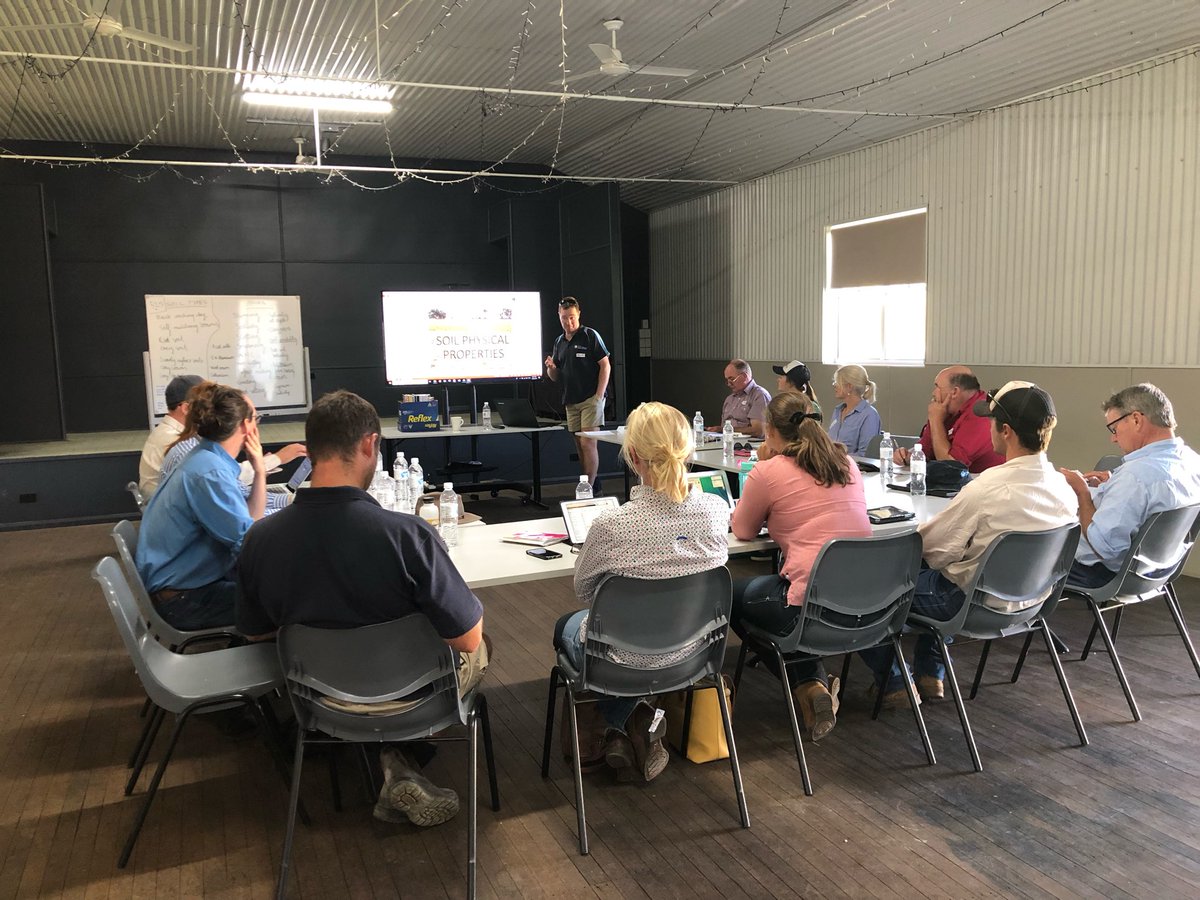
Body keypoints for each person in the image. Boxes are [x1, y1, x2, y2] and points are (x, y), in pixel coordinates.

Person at [237, 390, 487, 827]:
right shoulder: (407, 535)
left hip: (319, 702)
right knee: (481, 641)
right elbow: (466, 638)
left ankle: (393, 764)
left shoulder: (260, 539)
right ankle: (398, 755)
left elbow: (256, 634)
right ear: (370, 444)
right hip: (418, 701)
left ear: (310, 450)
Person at [862, 381, 1078, 705]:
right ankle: (930, 673)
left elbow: (930, 548)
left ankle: (895, 680)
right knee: (959, 568)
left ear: (1005, 431)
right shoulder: (1063, 488)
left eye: (990, 421)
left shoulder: (989, 487)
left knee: (869, 587)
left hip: (970, 604)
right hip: (1032, 603)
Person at [558, 402, 730, 782]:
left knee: (568, 628)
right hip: (693, 653)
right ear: (688, 450)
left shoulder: (611, 525)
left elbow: (584, 590)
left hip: (621, 659)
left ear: (633, 457)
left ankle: (619, 722)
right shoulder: (716, 511)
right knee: (629, 632)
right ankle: (634, 721)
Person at [730, 392, 871, 741]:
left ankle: (809, 683)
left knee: (728, 593)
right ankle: (816, 686)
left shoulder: (768, 470)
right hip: (869, 603)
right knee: (782, 591)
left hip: (810, 607)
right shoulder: (847, 464)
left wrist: (763, 466)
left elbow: (744, 531)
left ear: (772, 433)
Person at [136, 384, 267, 631]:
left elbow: (250, 522)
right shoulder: (210, 473)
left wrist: (259, 470)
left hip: (185, 588)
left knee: (280, 587)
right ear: (246, 426)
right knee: (293, 597)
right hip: (186, 601)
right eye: (256, 417)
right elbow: (248, 544)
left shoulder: (205, 457)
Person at [1059, 383, 1200, 587]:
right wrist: (1114, 484)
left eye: (1114, 428)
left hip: (1105, 574)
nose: (1113, 438)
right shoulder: (1193, 461)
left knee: (1027, 553)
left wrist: (1082, 493)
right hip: (1157, 569)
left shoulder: (1136, 476)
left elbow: (1104, 546)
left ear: (1136, 419)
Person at [160, 382, 301, 515]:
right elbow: (246, 531)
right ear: (246, 425)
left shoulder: (208, 456)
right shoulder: (210, 470)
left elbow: (242, 498)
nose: (256, 425)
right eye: (255, 418)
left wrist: (291, 501)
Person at [544, 296, 611, 490]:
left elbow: (605, 365)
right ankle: (591, 482)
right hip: (571, 400)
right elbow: (555, 376)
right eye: (564, 317)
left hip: (590, 398)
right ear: (559, 316)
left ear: (579, 314)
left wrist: (599, 395)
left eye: (572, 317)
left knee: (588, 442)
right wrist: (550, 368)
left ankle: (587, 488)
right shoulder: (559, 342)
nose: (568, 321)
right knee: (579, 445)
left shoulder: (590, 335)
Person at [894, 365, 1003, 473]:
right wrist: (909, 456)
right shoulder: (944, 410)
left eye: (937, 387)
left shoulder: (980, 414)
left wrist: (936, 421)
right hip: (952, 485)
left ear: (954, 392)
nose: (933, 393)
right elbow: (925, 451)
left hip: (983, 485)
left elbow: (950, 467)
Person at [138, 374, 203, 497]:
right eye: (204, 405)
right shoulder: (177, 440)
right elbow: (213, 475)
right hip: (171, 507)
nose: (210, 411)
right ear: (186, 408)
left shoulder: (164, 431)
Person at [828, 364, 882, 455]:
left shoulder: (869, 415)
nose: (834, 385)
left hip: (853, 467)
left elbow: (865, 454)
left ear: (849, 387)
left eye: (837, 382)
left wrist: (837, 460)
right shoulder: (837, 411)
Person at [708, 359, 771, 437]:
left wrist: (726, 429)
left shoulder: (759, 395)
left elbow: (759, 431)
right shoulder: (729, 399)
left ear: (744, 376)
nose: (728, 384)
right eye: (727, 380)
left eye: (731, 379)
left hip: (748, 444)